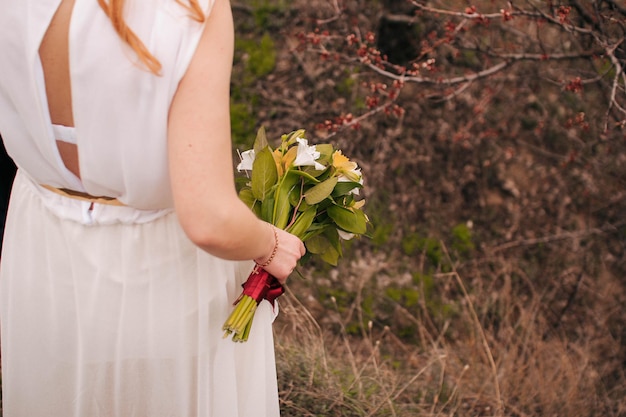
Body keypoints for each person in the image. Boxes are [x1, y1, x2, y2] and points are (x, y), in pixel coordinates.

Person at [0, 0, 305, 415]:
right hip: (163, 272)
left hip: (45, 258)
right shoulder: (193, 9)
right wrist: (271, 244)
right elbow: (210, 219)